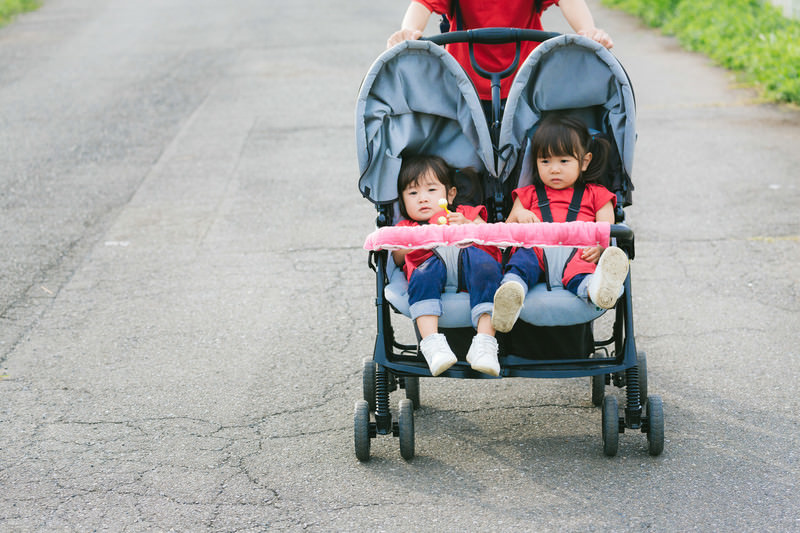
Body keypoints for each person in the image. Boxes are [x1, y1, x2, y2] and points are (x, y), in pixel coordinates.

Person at [491, 114, 629, 333]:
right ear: (535, 162)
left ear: (584, 162)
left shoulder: (597, 194)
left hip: (577, 251)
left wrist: (601, 247)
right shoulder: (527, 194)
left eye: (564, 161)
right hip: (536, 250)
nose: (554, 169)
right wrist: (522, 214)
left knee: (582, 270)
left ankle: (597, 290)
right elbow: (510, 223)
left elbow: (607, 228)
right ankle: (511, 291)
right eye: (545, 161)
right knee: (521, 262)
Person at [393, 155, 503, 376]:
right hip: (431, 275)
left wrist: (469, 226)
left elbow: (490, 239)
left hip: (470, 272)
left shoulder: (463, 214)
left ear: (450, 194)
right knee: (422, 274)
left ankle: (484, 343)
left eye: (431, 190)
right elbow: (396, 258)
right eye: (413, 193)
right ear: (402, 200)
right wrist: (418, 237)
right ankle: (433, 345)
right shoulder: (408, 226)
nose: (422, 199)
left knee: (487, 267)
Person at [387, 0, 614, 105]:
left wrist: (587, 30)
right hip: (465, 83)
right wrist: (408, 31)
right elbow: (423, 4)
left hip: (528, 81)